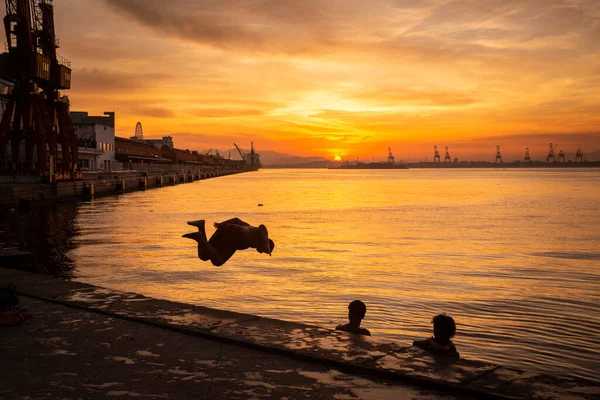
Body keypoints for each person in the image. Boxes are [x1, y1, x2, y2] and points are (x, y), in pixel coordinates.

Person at [183, 218, 274, 267]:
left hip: (226, 228)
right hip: (233, 234)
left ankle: (201, 227)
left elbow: (236, 220)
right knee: (218, 261)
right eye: (264, 251)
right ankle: (199, 237)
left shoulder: (250, 229)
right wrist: (266, 245)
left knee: (204, 255)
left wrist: (221, 224)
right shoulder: (261, 235)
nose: (262, 252)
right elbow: (263, 227)